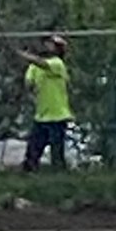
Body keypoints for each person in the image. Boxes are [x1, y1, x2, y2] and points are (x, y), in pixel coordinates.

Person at [20, 35, 73, 171]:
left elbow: (41, 64)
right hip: (41, 115)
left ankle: (58, 177)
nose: (46, 46)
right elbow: (29, 84)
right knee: (33, 152)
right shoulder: (34, 67)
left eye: (51, 44)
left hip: (58, 115)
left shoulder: (57, 64)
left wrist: (23, 55)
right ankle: (29, 175)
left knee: (57, 152)